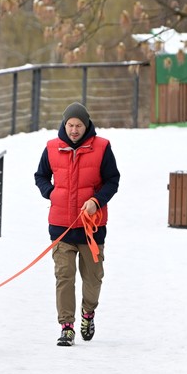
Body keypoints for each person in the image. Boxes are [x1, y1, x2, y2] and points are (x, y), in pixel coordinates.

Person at [34, 102, 120, 346]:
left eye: (78, 126)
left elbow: (112, 181)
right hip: (60, 227)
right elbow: (40, 176)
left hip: (92, 228)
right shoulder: (52, 147)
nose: (73, 130)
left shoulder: (102, 147)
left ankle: (88, 313)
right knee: (64, 277)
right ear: (64, 124)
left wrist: (96, 201)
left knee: (93, 279)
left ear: (86, 125)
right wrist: (51, 193)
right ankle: (67, 326)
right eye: (70, 125)